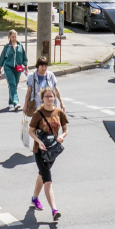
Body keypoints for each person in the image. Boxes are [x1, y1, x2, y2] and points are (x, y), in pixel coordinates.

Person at [28, 88, 68, 221]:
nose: (49, 99)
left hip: (52, 150)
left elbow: (65, 129)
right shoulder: (38, 113)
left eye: (51, 96)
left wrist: (62, 136)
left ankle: (34, 198)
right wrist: (38, 142)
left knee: (42, 174)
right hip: (40, 150)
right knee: (48, 180)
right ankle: (54, 210)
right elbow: (31, 131)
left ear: (54, 97)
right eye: (47, 97)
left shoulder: (59, 112)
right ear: (42, 98)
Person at [0, 29, 28, 111]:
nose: (14, 38)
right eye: (12, 36)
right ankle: (16, 102)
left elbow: (24, 56)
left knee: (15, 84)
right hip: (8, 67)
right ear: (9, 37)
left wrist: (26, 67)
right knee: (12, 84)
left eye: (15, 36)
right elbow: (2, 57)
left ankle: (11, 101)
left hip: (18, 68)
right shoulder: (7, 46)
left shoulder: (20, 45)